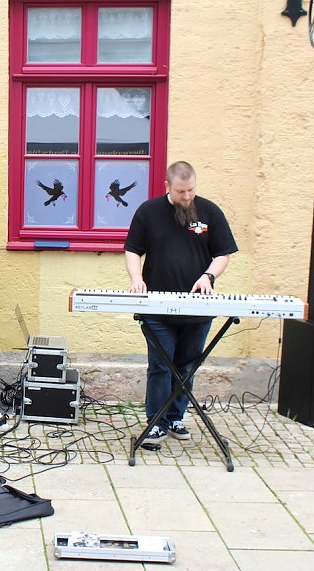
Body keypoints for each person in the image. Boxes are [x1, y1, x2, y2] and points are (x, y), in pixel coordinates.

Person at [124, 161, 238, 446]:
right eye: (181, 191)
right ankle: (156, 422)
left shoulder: (209, 211)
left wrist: (208, 275)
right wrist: (137, 278)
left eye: (191, 190)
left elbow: (223, 253)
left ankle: (176, 417)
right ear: (167, 187)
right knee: (161, 365)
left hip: (198, 307)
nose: (187, 196)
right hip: (157, 308)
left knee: (187, 365)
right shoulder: (148, 212)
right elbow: (132, 250)